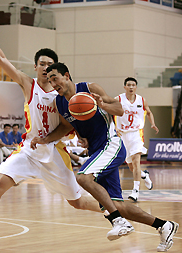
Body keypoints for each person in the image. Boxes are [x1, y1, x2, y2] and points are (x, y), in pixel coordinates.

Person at [0, 13, 133, 252]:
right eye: (42, 64)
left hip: (55, 152)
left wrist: (81, 134)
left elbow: (72, 122)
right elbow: (2, 59)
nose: (46, 68)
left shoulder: (66, 95)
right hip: (29, 149)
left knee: (76, 202)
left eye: (50, 64)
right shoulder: (28, 84)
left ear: (56, 70)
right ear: (35, 67)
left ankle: (115, 212)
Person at [30, 62, 179, 252]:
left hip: (111, 145)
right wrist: (51, 139)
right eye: (50, 81)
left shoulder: (89, 89)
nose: (53, 84)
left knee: (83, 178)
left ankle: (118, 221)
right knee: (119, 205)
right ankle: (163, 225)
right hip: (96, 151)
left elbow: (120, 110)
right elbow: (67, 126)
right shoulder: (59, 102)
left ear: (66, 76)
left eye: (55, 79)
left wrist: (103, 104)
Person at [115, 77, 159, 202]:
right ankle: (144, 175)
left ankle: (135, 191)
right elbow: (108, 112)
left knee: (136, 162)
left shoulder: (141, 100)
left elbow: (149, 112)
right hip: (123, 134)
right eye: (128, 85)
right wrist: (114, 127)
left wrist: (153, 124)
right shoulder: (118, 99)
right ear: (124, 87)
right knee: (130, 166)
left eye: (133, 85)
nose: (131, 87)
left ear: (136, 87)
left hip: (136, 134)